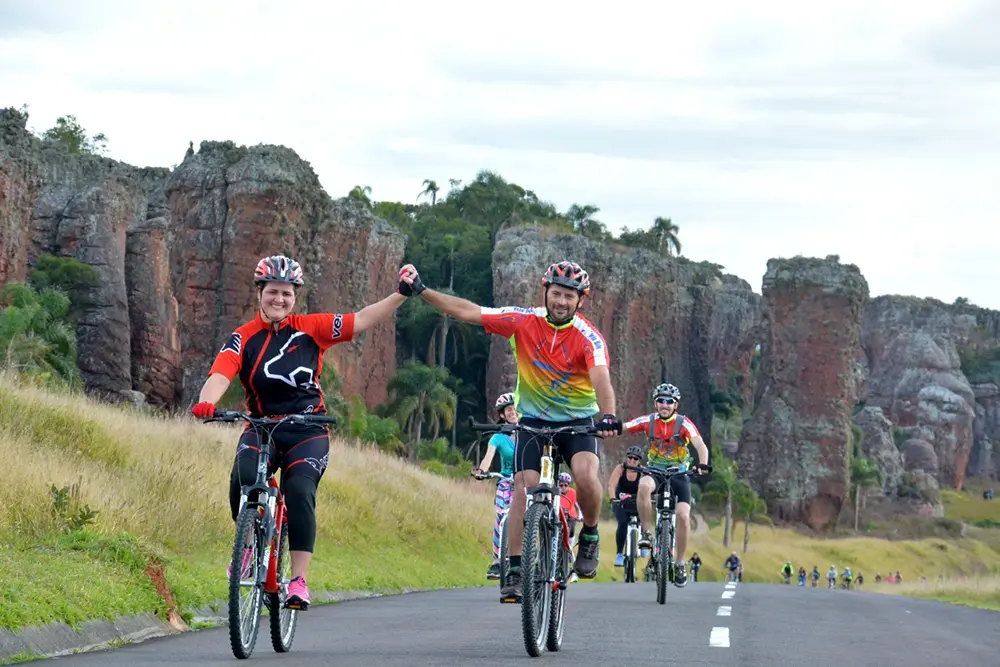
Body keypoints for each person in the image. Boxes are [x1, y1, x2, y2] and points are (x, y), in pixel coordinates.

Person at [191, 255, 411, 610]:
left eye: (287, 294)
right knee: (244, 476)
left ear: (295, 298)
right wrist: (206, 402)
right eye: (273, 292)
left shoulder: (312, 328)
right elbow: (221, 372)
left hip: (308, 429)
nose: (279, 300)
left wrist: (401, 293)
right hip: (262, 426)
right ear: (259, 292)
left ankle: (298, 580)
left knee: (299, 489)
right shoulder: (242, 337)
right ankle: (247, 548)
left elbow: (364, 319)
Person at [399, 260, 621, 601]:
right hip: (532, 420)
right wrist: (422, 290)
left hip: (578, 422)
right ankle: (515, 567)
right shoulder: (522, 320)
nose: (562, 302)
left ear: (581, 301)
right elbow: (469, 311)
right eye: (557, 294)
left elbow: (602, 379)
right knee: (524, 488)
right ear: (545, 291)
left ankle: (589, 535)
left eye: (569, 297)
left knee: (585, 475)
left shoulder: (588, 337)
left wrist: (608, 416)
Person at [622, 382, 710, 587]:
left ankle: (679, 563)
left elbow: (699, 444)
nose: (665, 404)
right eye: (661, 400)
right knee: (644, 486)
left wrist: (703, 464)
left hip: (680, 474)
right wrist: (609, 427)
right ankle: (646, 533)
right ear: (655, 403)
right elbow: (626, 426)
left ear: (675, 405)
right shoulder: (649, 421)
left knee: (683, 516)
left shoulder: (684, 423)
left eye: (669, 401)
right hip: (656, 471)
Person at [472, 392, 517, 580]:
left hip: (527, 482)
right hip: (506, 481)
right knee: (501, 516)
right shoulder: (497, 437)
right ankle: (497, 561)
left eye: (515, 409)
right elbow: (488, 458)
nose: (513, 412)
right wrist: (482, 471)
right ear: (502, 415)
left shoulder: (530, 433)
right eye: (508, 410)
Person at [607, 445, 647, 567]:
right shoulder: (620, 469)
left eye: (635, 459)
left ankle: (643, 541)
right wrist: (613, 499)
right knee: (622, 523)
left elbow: (649, 489)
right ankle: (619, 554)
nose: (632, 461)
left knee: (643, 518)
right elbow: (611, 485)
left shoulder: (643, 471)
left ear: (639, 461)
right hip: (621, 501)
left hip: (637, 501)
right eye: (630, 457)